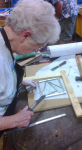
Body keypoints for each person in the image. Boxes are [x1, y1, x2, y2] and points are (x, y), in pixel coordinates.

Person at [0, 0, 60, 132]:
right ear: (25, 35)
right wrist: (13, 121)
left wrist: (17, 81)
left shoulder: (7, 42)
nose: (37, 51)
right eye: (38, 46)